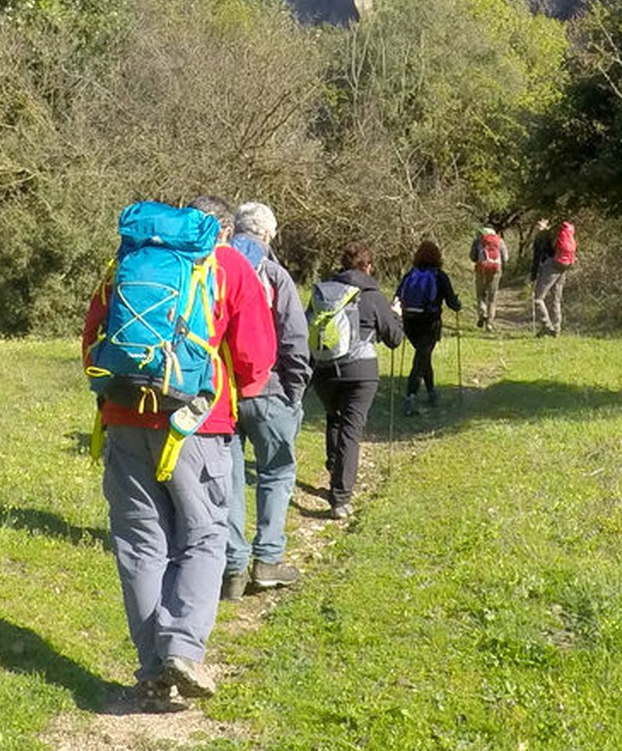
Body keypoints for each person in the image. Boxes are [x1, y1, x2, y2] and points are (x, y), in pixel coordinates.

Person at [83, 196, 275, 709]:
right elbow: (256, 357)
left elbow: (92, 341)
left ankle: (152, 671)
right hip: (197, 422)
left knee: (140, 545)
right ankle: (183, 649)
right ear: (217, 228)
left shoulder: (124, 262)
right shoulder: (228, 264)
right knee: (205, 536)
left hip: (123, 418)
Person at [222, 200, 311, 599]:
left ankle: (233, 568)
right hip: (269, 390)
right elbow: (294, 338)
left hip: (223, 392)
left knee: (230, 479)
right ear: (269, 234)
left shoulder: (215, 267)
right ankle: (268, 561)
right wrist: (295, 391)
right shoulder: (274, 274)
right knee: (275, 472)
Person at [305, 244, 404, 520]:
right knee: (351, 428)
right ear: (368, 267)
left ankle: (335, 471)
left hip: (324, 369)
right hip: (361, 371)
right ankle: (340, 498)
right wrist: (396, 314)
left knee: (334, 419)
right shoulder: (372, 296)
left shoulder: (323, 292)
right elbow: (394, 339)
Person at [395, 239, 462, 410]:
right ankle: (410, 396)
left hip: (410, 323)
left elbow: (397, 297)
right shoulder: (440, 276)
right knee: (421, 358)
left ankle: (432, 392)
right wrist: (458, 304)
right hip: (429, 323)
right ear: (437, 257)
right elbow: (452, 303)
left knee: (424, 356)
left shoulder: (410, 274)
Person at [530, 216, 571, 337]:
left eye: (540, 223)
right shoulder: (557, 234)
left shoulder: (540, 237)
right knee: (556, 299)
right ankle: (556, 328)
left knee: (538, 298)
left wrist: (533, 275)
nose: (537, 225)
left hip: (550, 267)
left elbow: (537, 258)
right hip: (563, 266)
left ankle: (546, 325)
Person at [468, 218, 506, 329]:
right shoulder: (500, 241)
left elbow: (472, 256)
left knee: (481, 294)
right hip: (495, 270)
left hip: (481, 269)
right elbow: (505, 257)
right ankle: (489, 323)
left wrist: (479, 259)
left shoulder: (477, 240)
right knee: (492, 297)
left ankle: (482, 313)